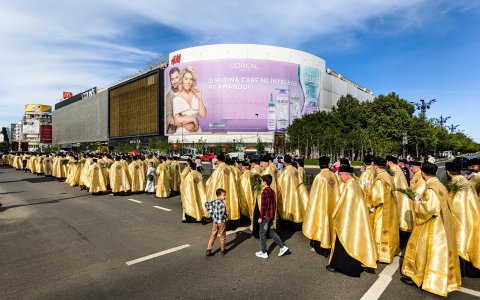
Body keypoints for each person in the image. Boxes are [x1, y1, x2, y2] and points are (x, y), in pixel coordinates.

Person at [401, 163, 461, 297]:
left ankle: (421, 278)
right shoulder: (440, 185)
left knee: (423, 250)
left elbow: (430, 208)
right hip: (443, 223)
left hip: (433, 225)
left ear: (422, 173)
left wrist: (416, 202)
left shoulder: (431, 189)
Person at [326, 165, 377, 276]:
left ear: (346, 174)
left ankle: (342, 267)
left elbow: (343, 206)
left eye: (340, 175)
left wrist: (335, 215)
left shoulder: (349, 187)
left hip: (348, 220)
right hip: (355, 219)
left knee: (344, 242)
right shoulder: (355, 183)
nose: (339, 177)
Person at [445, 160, 480, 277]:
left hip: (463, 218)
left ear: (448, 172)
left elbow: (456, 207)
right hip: (473, 216)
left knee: (460, 241)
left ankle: (462, 270)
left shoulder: (457, 184)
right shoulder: (465, 181)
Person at [303, 156, 340, 256]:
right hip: (332, 206)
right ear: (328, 164)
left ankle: (322, 247)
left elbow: (314, 196)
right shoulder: (333, 175)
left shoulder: (319, 177)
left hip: (321, 207)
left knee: (321, 225)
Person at [371, 156, 399, 263]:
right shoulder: (388, 176)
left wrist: (367, 194)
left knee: (380, 230)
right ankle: (390, 252)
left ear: (376, 166)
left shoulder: (380, 180)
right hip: (391, 207)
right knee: (390, 230)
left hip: (382, 210)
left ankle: (380, 253)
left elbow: (376, 198)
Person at [255, 174, 288, 259]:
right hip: (271, 215)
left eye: (262, 181)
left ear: (265, 182)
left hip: (266, 216)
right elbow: (273, 204)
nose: (261, 182)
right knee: (270, 231)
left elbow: (263, 206)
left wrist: (260, 217)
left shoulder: (265, 192)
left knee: (262, 233)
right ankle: (282, 247)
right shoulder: (272, 191)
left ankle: (264, 252)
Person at [386, 155, 414, 250]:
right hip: (403, 196)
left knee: (399, 218)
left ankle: (401, 243)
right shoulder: (398, 168)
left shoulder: (393, 170)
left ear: (389, 162)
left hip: (398, 197)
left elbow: (391, 186)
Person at [277, 155, 308, 230]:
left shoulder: (286, 171)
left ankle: (288, 226)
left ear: (284, 162)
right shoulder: (295, 169)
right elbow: (300, 181)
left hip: (288, 193)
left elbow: (280, 183)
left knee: (288, 208)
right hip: (296, 192)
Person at [206, 154, 240, 222]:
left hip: (220, 191)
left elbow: (212, 182)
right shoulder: (230, 168)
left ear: (218, 160)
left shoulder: (218, 169)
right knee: (229, 203)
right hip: (230, 190)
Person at [172, 67, 207, 134]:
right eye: (186, 79)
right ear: (182, 80)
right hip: (182, 132)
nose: (188, 82)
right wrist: (193, 119)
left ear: (193, 81)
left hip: (197, 131)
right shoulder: (177, 98)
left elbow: (203, 115)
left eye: (190, 79)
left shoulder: (196, 94)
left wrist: (199, 98)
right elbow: (176, 120)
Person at [205, 188, 228, 256]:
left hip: (215, 222)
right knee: (222, 236)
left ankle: (208, 250)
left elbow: (206, 204)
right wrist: (226, 217)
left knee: (213, 235)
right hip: (221, 222)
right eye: (223, 195)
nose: (225, 196)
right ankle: (223, 250)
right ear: (219, 195)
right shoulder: (222, 204)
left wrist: (211, 213)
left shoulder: (214, 201)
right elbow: (222, 214)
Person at [358, 155, 376, 227]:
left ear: (364, 163)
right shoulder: (374, 170)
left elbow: (361, 187)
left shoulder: (365, 173)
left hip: (367, 198)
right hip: (374, 196)